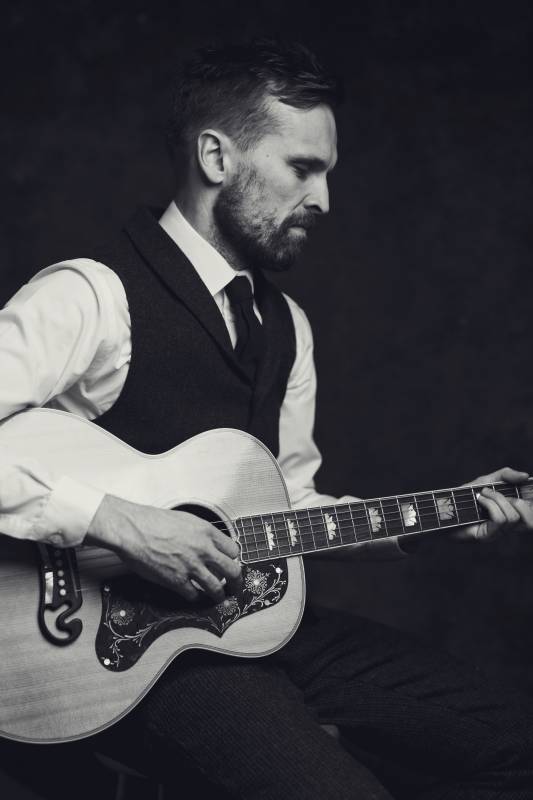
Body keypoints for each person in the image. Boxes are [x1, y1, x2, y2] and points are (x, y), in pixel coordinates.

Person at [2, 38, 533, 800]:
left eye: (327, 174)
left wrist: (435, 519)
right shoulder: (90, 294)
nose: (323, 201)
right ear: (216, 157)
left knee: (510, 740)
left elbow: (287, 510)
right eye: (301, 169)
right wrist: (115, 519)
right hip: (119, 656)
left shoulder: (287, 327)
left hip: (253, 628)